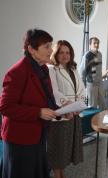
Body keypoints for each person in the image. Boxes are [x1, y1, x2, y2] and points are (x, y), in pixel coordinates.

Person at [0, 29, 59, 178]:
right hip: (19, 139)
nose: (51, 50)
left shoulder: (43, 69)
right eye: (46, 46)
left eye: (50, 46)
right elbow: (5, 107)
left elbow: (46, 99)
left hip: (38, 135)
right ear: (31, 49)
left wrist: (62, 110)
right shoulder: (17, 72)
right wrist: (38, 112)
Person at [47, 40, 86, 178]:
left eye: (67, 52)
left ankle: (62, 174)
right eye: (61, 52)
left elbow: (81, 88)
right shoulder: (51, 69)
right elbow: (54, 91)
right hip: (62, 115)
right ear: (56, 54)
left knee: (67, 149)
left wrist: (80, 104)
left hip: (74, 114)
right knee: (59, 149)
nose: (65, 55)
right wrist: (69, 105)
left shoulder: (73, 69)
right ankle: (58, 175)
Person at [79, 37, 105, 109]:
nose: (96, 45)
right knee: (92, 105)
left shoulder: (100, 54)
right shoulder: (87, 55)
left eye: (98, 43)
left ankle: (101, 119)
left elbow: (98, 68)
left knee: (102, 103)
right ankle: (92, 120)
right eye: (94, 43)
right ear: (90, 45)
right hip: (91, 83)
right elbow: (82, 71)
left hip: (100, 82)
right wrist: (83, 86)